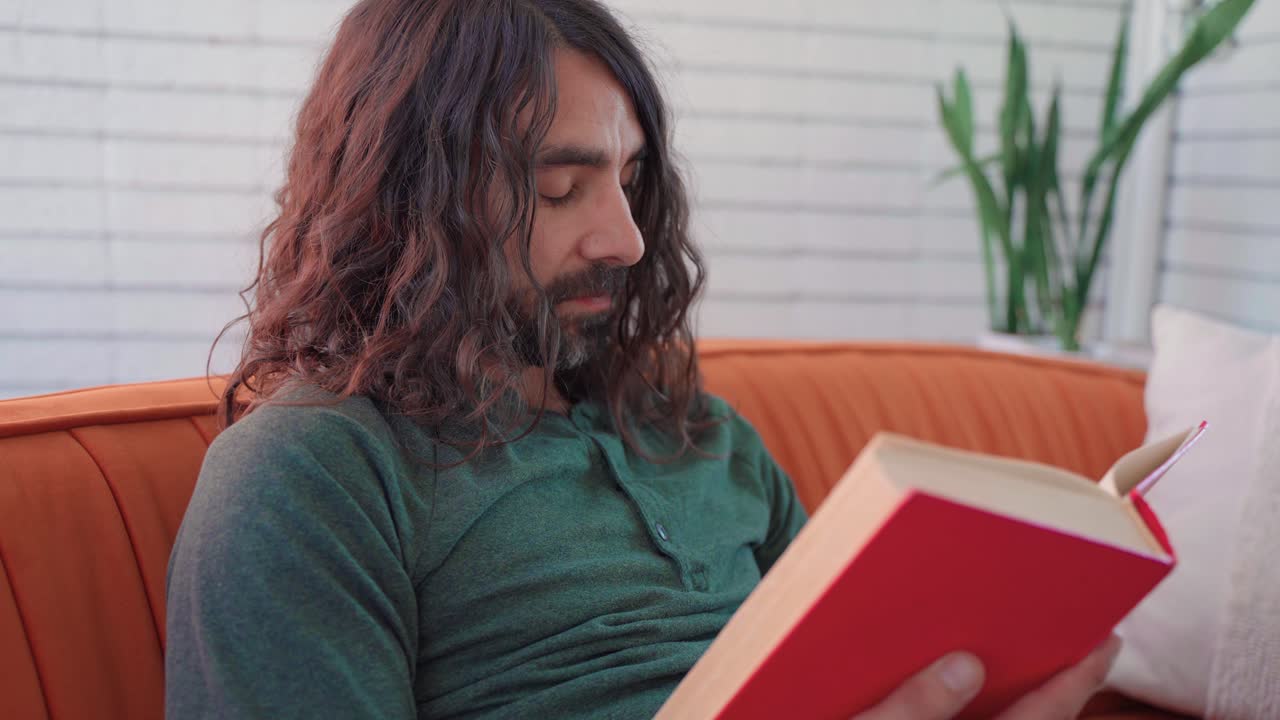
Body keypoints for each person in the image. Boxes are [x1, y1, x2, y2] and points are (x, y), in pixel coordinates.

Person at [164, 1, 1121, 717]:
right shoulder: (314, 473)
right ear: (406, 201)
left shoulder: (703, 434)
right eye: (559, 188)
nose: (624, 241)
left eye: (628, 182)